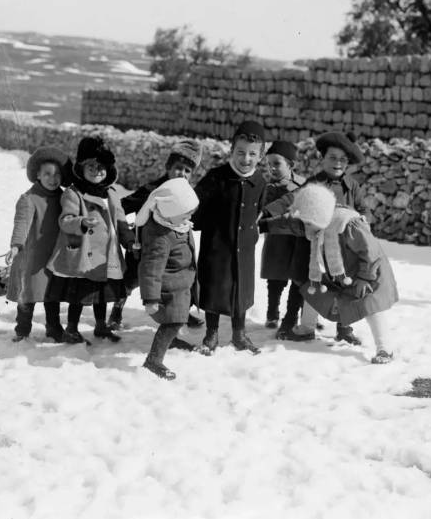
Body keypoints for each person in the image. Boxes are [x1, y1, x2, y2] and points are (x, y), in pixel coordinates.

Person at [261, 131, 369, 344]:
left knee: (344, 285)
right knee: (301, 282)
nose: (337, 163)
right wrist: (266, 211)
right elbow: (292, 198)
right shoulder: (314, 183)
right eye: (332, 157)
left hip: (341, 248)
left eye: (343, 159)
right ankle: (289, 322)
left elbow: (363, 209)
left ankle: (344, 328)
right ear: (322, 158)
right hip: (310, 244)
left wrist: (363, 221)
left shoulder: (352, 186)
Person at [281, 183, 399, 364]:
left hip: (368, 273)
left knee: (370, 305)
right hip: (342, 274)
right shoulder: (321, 226)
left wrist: (364, 278)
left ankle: (385, 348)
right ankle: (306, 328)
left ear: (319, 215)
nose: (306, 227)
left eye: (308, 223)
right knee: (314, 290)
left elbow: (371, 252)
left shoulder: (348, 224)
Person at [44, 137, 135, 344]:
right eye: (91, 167)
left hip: (107, 254)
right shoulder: (74, 193)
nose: (96, 171)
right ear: (81, 168)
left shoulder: (111, 194)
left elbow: (121, 221)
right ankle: (72, 329)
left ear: (108, 170)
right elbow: (65, 220)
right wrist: (81, 222)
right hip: (84, 254)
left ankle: (101, 326)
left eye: (101, 167)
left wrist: (129, 240)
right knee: (79, 295)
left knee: (101, 293)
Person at [191, 120, 267, 355]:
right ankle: (211, 333)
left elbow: (260, 211)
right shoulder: (217, 177)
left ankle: (239, 334)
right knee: (215, 287)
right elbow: (196, 206)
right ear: (232, 150)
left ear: (261, 155)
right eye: (240, 152)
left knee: (241, 289)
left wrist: (253, 234)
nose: (246, 159)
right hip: (217, 246)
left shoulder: (260, 181)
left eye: (252, 154)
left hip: (244, 248)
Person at [112, 139, 206, 330]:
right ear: (168, 167)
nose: (182, 173)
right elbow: (121, 207)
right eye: (178, 168)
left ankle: (180, 313)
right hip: (145, 247)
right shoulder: (152, 190)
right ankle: (116, 312)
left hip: (175, 248)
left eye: (188, 171)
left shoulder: (187, 193)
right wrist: (126, 231)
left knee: (179, 282)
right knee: (131, 280)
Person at [135, 178, 201, 380]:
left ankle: (172, 341)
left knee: (177, 319)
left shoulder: (178, 224)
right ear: (170, 211)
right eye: (186, 213)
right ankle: (153, 360)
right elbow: (151, 268)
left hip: (181, 284)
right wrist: (151, 299)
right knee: (173, 322)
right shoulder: (160, 237)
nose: (189, 217)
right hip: (167, 289)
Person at [5, 147, 69, 343]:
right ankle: (22, 330)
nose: (53, 179)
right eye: (47, 174)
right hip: (32, 258)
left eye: (57, 174)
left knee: (52, 296)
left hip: (54, 257)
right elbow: (21, 223)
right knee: (28, 295)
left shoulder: (64, 198)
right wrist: (16, 245)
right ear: (37, 175)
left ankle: (54, 328)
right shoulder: (29, 199)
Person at [259, 140, 305, 332]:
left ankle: (302, 315)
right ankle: (272, 314)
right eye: (269, 164)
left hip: (298, 238)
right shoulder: (265, 187)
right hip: (276, 238)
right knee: (275, 279)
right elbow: (262, 212)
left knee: (299, 279)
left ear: (290, 165)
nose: (272, 168)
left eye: (277, 164)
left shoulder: (302, 185)